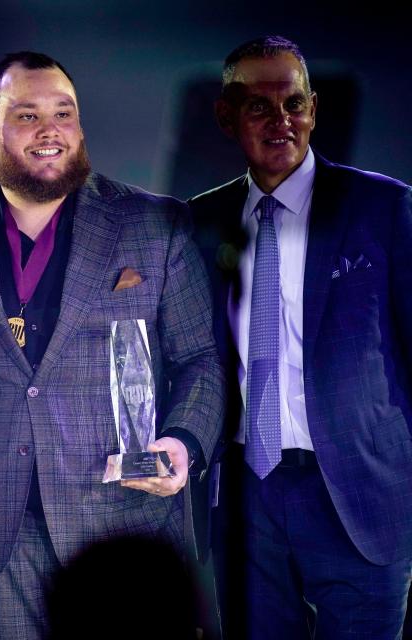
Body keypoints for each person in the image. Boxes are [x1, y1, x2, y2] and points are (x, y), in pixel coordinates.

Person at [0, 51, 223, 638]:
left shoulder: (154, 224)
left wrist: (182, 443)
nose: (50, 130)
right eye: (26, 115)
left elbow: (200, 359)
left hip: (121, 516)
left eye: (64, 113)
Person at [189, 35, 412, 639]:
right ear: (226, 115)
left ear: (313, 109)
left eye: (294, 103)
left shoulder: (383, 208)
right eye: (258, 105)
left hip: (359, 496)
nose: (281, 120)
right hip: (244, 499)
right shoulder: (198, 224)